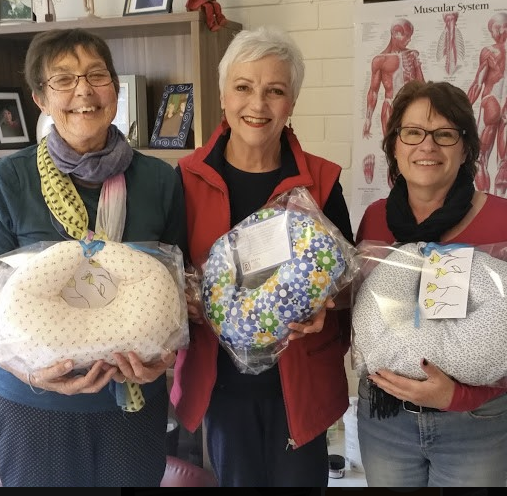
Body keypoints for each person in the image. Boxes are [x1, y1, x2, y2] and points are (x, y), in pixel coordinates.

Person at [0, 28, 186, 487]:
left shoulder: (160, 181)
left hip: (131, 405)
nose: (83, 91)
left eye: (96, 75)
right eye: (63, 80)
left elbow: (181, 286)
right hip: (34, 405)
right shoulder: (10, 180)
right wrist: (24, 370)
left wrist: (166, 354)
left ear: (116, 91)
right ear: (40, 98)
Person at [170, 25, 354, 487]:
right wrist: (183, 299)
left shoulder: (321, 181)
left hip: (300, 388)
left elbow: (348, 280)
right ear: (223, 95)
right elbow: (166, 273)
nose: (257, 105)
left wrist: (326, 306)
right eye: (243, 87)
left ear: (291, 103)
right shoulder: (186, 178)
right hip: (221, 386)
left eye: (275, 91)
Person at [355, 80, 507, 487]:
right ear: (394, 145)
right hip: (384, 419)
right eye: (413, 132)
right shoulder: (375, 218)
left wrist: (457, 397)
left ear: (465, 148)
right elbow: (362, 318)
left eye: (444, 134)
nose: (427, 146)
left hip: (476, 425)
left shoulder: (501, 220)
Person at [363, 18, 425, 140]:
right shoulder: (379, 60)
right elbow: (373, 91)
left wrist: (417, 66)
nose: (409, 40)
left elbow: (422, 87)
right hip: (390, 106)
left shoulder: (412, 55)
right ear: (396, 33)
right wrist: (368, 119)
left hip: (411, 107)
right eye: (407, 36)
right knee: (391, 147)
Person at [467, 12, 507, 196]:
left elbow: (477, 83)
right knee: (504, 162)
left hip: (490, 100)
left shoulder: (490, 51)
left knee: (479, 158)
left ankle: (487, 205)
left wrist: (462, 109)